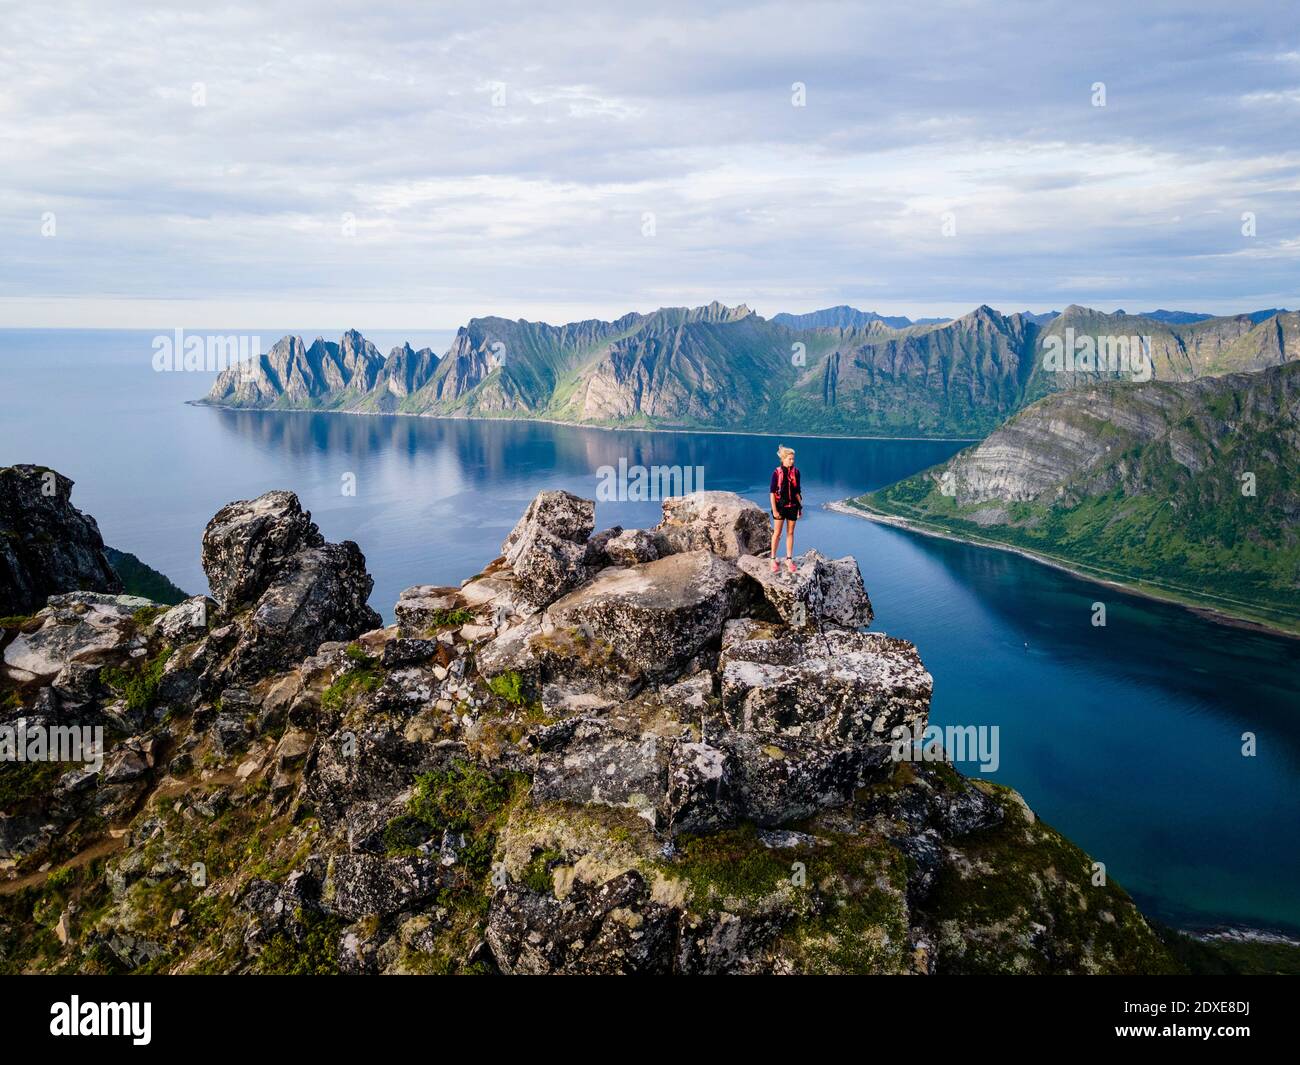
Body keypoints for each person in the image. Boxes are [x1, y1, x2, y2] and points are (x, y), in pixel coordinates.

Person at [769, 444, 802, 573]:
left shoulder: (796, 472)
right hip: (780, 507)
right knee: (777, 533)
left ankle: (789, 559)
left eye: (793, 459)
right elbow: (772, 493)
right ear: (783, 459)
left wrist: (800, 507)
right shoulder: (777, 473)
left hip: (793, 506)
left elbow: (797, 491)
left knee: (790, 533)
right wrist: (775, 510)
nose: (792, 461)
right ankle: (773, 558)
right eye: (789, 459)